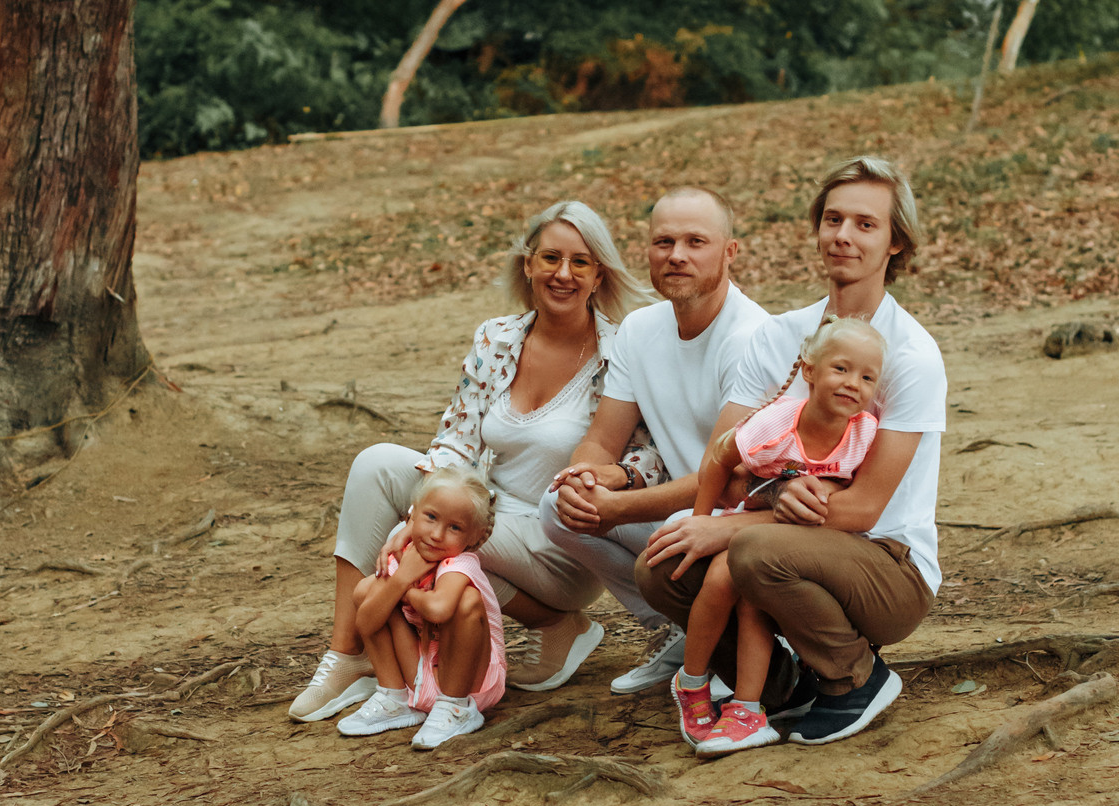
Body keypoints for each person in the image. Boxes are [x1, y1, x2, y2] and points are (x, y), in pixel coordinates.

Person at [289, 200, 649, 723]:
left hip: (563, 539)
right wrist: (420, 513)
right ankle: (346, 653)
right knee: (377, 465)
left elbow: (647, 456)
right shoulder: (496, 338)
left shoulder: (622, 352)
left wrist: (618, 476)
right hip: (489, 517)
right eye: (550, 258)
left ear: (599, 276)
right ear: (528, 265)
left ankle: (547, 621)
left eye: (580, 262)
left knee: (439, 533)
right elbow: (454, 441)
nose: (563, 274)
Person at [636, 154, 945, 747]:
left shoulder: (910, 357)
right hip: (785, 536)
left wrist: (733, 529)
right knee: (661, 564)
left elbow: (862, 509)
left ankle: (854, 677)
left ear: (896, 244)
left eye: (865, 224)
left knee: (750, 547)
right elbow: (725, 464)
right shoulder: (777, 339)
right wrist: (774, 491)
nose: (843, 237)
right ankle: (778, 688)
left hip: (887, 564)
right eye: (832, 220)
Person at [537, 188, 765, 695]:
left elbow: (725, 476)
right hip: (683, 516)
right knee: (557, 504)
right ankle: (685, 631)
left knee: (682, 524)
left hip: (746, 527)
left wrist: (619, 508)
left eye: (695, 242)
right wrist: (584, 479)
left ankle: (739, 644)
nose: (677, 255)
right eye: (663, 242)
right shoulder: (641, 330)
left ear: (730, 252)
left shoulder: (752, 339)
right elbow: (601, 439)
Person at [674, 317, 884, 757]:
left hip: (798, 538)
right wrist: (701, 518)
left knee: (756, 598)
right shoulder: (776, 424)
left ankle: (747, 708)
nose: (853, 384)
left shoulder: (864, 431)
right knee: (720, 579)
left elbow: (854, 492)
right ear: (808, 370)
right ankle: (691, 683)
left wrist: (828, 491)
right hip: (754, 519)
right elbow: (717, 459)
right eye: (841, 369)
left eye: (867, 377)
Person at [337, 467, 507, 751]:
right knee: (368, 590)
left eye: (455, 528)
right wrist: (402, 577)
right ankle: (395, 698)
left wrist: (405, 588)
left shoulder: (460, 563)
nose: (437, 534)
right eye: (430, 517)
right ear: (411, 517)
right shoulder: (405, 558)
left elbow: (439, 610)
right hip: (423, 676)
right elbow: (365, 622)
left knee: (465, 601)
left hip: (473, 685)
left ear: (474, 537)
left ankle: (456, 710)